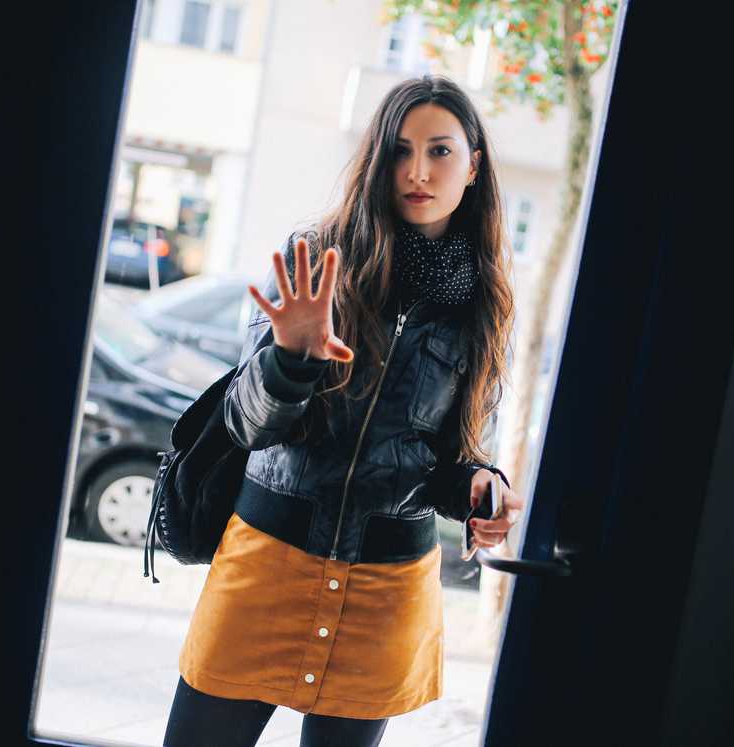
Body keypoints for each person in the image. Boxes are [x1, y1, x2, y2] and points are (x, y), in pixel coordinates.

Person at [163, 74, 523, 747]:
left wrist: (479, 485)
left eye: (440, 151)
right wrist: (289, 360)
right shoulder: (316, 259)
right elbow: (245, 424)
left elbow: (452, 456)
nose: (417, 171)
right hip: (267, 563)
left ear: (474, 166)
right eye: (399, 150)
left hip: (385, 591)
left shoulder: (483, 302)